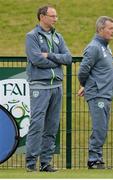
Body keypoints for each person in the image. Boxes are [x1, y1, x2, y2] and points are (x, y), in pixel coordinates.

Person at [25, 4, 72, 172]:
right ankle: (31, 163)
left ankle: (46, 162)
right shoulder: (31, 36)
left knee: (52, 126)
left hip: (57, 86)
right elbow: (36, 60)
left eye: (56, 16)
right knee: (37, 124)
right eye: (52, 16)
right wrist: (56, 61)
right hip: (40, 86)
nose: (55, 19)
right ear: (42, 17)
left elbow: (68, 58)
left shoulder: (58, 37)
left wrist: (51, 56)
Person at [78, 16, 113, 169]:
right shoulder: (94, 47)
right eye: (110, 28)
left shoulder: (105, 47)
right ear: (101, 29)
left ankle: (97, 159)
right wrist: (85, 84)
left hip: (105, 94)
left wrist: (87, 85)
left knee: (103, 128)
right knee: (99, 128)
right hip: (98, 95)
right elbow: (83, 70)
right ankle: (94, 160)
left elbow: (95, 72)